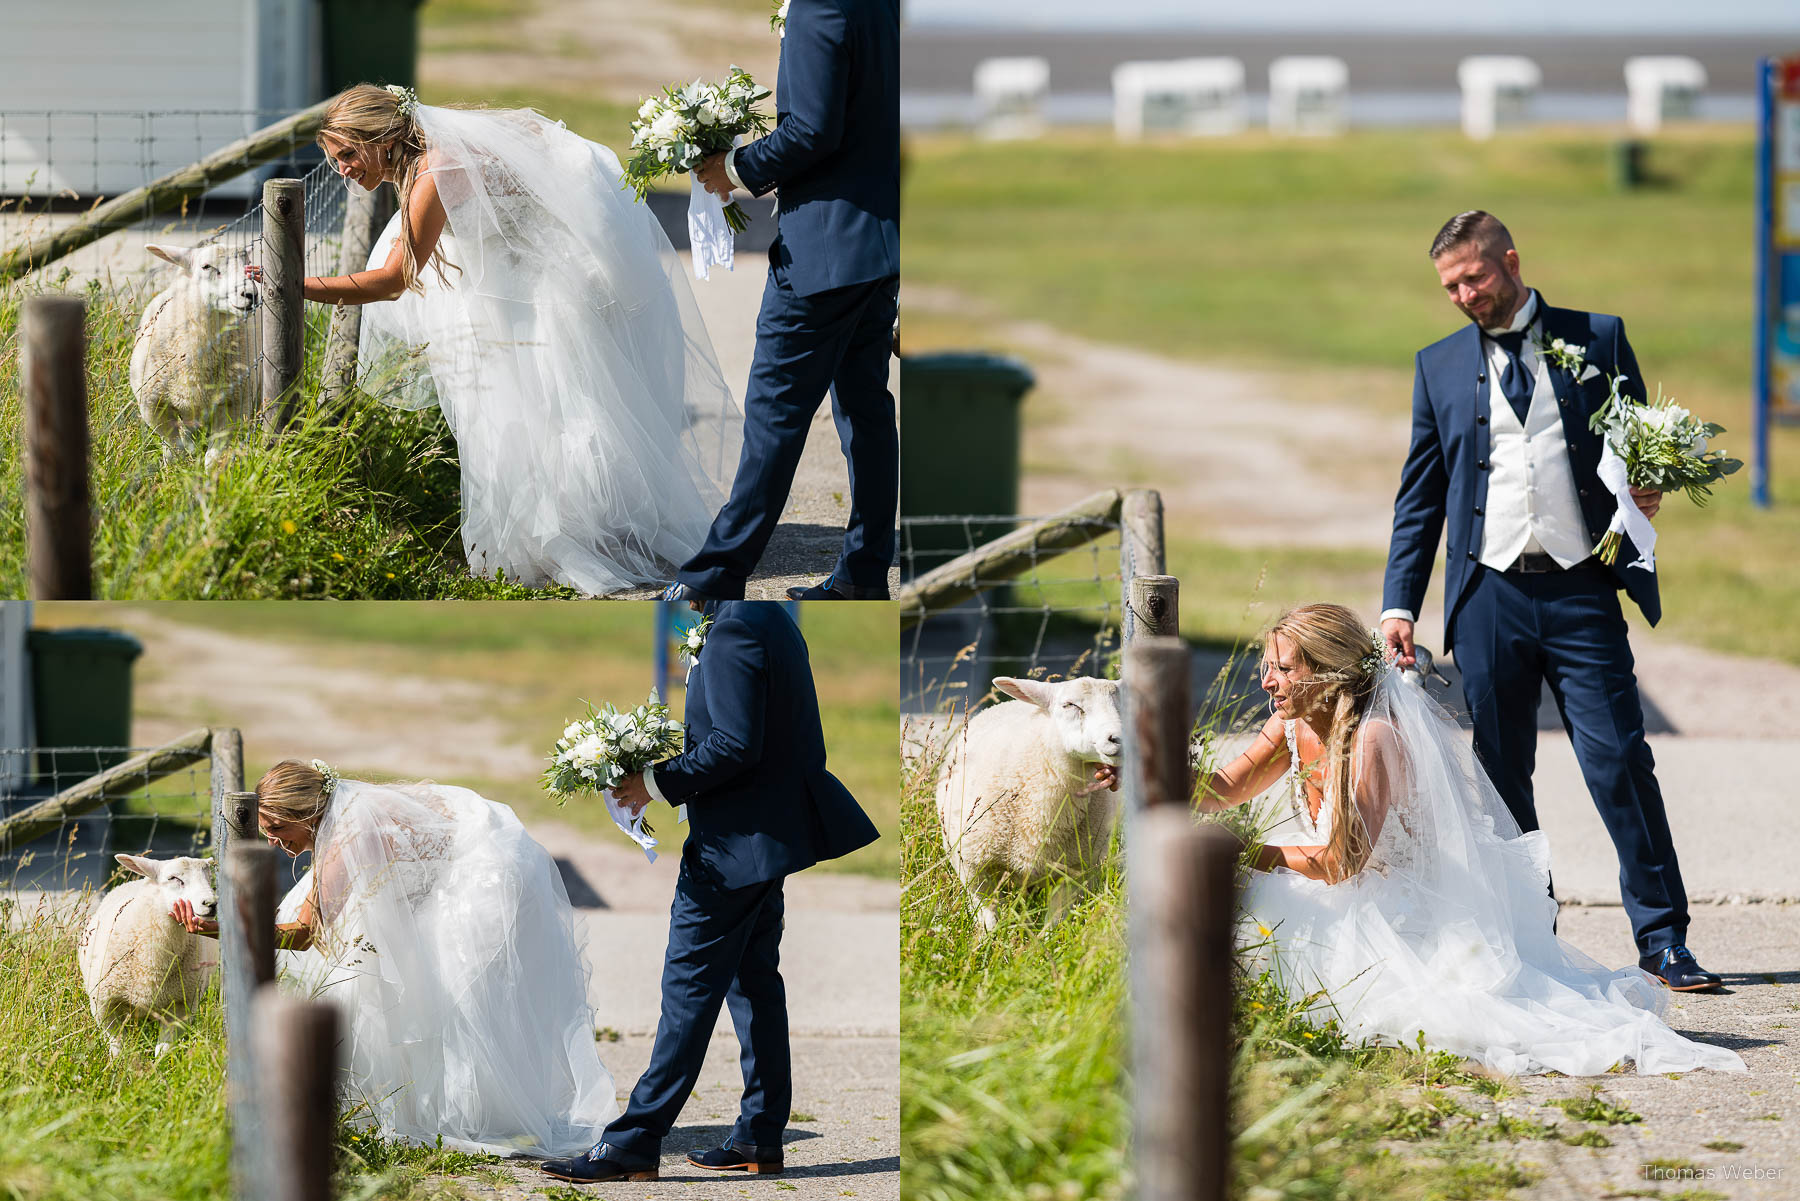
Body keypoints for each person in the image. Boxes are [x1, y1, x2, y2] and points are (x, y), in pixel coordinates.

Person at [1379, 210, 1721, 991]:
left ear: (1510, 260)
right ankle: (1530, 941)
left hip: (1580, 589)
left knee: (1619, 760)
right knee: (1502, 778)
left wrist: (1649, 485)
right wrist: (1400, 603)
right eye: (1451, 286)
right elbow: (1419, 498)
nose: (1466, 294)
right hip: (1488, 595)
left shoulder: (1598, 338)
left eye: (1475, 276)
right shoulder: (1436, 366)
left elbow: (1637, 449)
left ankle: (1665, 939)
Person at [1193, 604, 1743, 1077]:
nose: (1266, 681)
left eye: (1284, 669)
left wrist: (1243, 851)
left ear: (1327, 672)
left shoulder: (1373, 736)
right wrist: (1147, 770)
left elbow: (1341, 862)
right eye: (1268, 666)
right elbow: (1222, 787)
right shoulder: (1292, 723)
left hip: (1400, 910)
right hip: (1335, 881)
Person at [252, 84, 742, 595]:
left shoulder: (437, 172)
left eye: (349, 154)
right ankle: (555, 531)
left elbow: (395, 281)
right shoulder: (424, 159)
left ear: (382, 134)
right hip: (506, 282)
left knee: (548, 410)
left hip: (548, 289)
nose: (344, 170)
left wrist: (293, 285)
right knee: (517, 414)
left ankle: (564, 536)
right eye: (334, 162)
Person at [539, 601, 880, 1183]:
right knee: (754, 987)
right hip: (764, 840)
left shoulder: (733, 631)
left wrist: (651, 783)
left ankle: (635, 1142)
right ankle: (760, 1135)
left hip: (733, 851)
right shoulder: (771, 618)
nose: (672, 594)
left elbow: (735, 743)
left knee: (688, 989)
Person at [175, 760, 621, 1156]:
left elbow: (306, 935)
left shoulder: (350, 835)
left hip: (485, 878)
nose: (272, 842)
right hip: (448, 865)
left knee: (453, 992)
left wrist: (222, 930)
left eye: (275, 829)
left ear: (305, 815)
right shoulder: (341, 814)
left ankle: (469, 1113)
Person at [668, 0, 901, 602]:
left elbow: (814, 130)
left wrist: (734, 167)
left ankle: (714, 578)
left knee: (775, 414)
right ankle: (863, 575)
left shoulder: (821, 7)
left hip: (824, 253)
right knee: (867, 414)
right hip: (880, 246)